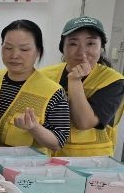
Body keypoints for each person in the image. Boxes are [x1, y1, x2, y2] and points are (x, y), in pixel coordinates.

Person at [40, 16, 124, 156]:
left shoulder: (113, 81)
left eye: (91, 43)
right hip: (46, 157)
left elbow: (84, 122)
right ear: (62, 48)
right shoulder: (44, 75)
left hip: (90, 162)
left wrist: (74, 81)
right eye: (73, 44)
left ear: (101, 48)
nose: (82, 52)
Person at [0, 20, 70, 154]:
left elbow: (58, 142)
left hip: (27, 164)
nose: (14, 55)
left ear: (38, 51)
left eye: (24, 49)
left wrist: (34, 128)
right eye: (8, 48)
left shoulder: (53, 91)